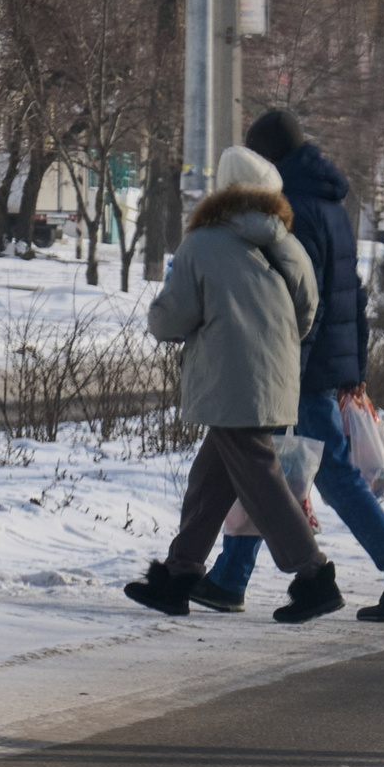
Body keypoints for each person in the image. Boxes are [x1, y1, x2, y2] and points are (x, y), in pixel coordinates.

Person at [199, 108, 384, 623]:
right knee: (271, 469)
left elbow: (297, 300)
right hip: (322, 362)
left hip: (299, 366)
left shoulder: (295, 208)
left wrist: (287, 368)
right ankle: (229, 577)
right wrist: (353, 367)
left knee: (328, 474)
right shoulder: (328, 201)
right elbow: (349, 290)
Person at [125, 145, 344, 625]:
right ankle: (179, 574)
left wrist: (160, 319)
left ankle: (315, 577)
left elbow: (173, 317)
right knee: (211, 477)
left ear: (223, 190)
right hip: (275, 375)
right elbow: (307, 313)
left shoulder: (203, 242)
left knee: (261, 480)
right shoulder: (287, 242)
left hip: (227, 378)